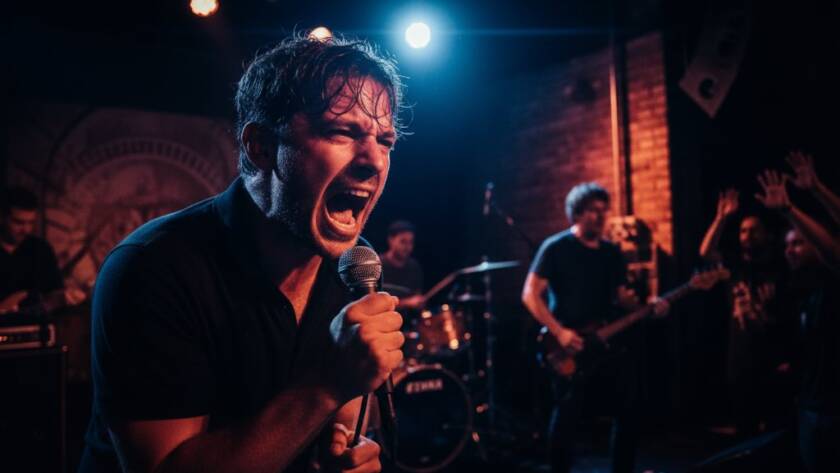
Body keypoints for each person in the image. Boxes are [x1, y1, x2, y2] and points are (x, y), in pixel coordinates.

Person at [80, 34, 406, 473]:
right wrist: (324, 386)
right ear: (261, 146)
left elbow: (340, 426)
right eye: (341, 131)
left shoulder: (354, 265)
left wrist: (340, 453)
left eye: (385, 141)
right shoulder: (153, 266)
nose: (374, 161)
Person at [521, 182, 667, 473]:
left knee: (627, 410)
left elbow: (622, 298)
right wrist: (560, 332)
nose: (599, 217)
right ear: (576, 213)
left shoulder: (611, 253)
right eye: (592, 211)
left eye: (603, 210)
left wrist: (650, 306)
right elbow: (529, 294)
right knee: (567, 417)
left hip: (606, 344)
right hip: (567, 346)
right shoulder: (556, 247)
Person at [755, 152, 840, 473]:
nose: (789, 250)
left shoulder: (833, 278)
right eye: (787, 244)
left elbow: (833, 252)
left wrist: (798, 204)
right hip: (810, 407)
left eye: (799, 243)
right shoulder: (802, 290)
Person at [698, 187, 791, 437]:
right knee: (745, 431)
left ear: (768, 236)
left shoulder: (781, 267)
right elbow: (705, 252)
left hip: (775, 360)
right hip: (741, 359)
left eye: (753, 230)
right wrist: (721, 218)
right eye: (742, 230)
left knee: (777, 431)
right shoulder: (735, 266)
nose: (747, 235)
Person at [0, 187, 86, 315]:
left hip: (37, 326)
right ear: (2, 218)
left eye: (31, 223)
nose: (26, 230)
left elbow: (54, 290)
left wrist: (64, 296)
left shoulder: (40, 249)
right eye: (19, 223)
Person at [380, 220, 424, 311]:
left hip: (408, 323)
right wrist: (406, 303)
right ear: (391, 240)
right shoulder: (378, 265)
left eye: (410, 242)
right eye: (403, 242)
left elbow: (417, 297)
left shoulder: (414, 267)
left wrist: (420, 303)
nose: (407, 247)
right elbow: (374, 303)